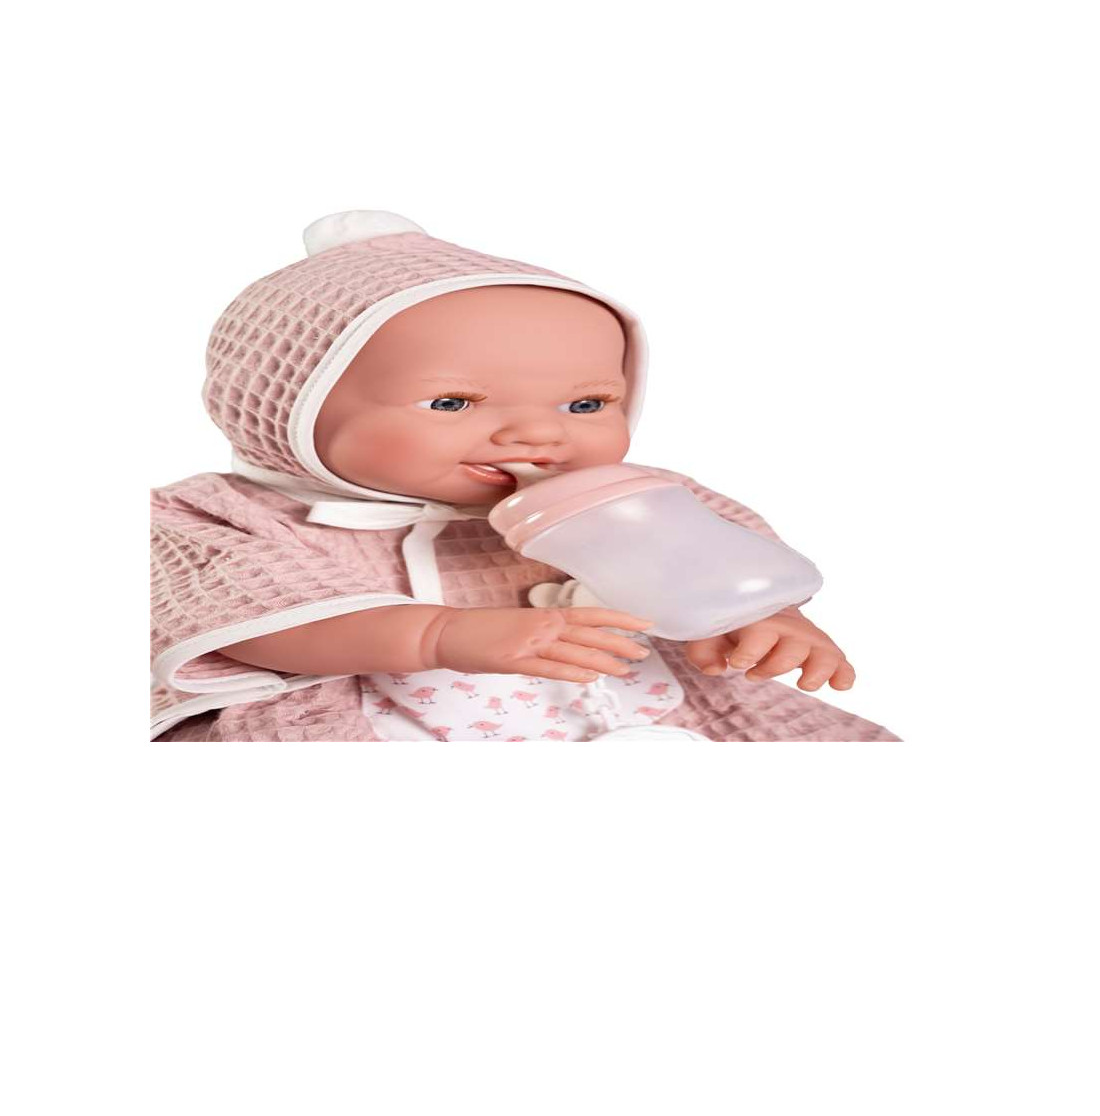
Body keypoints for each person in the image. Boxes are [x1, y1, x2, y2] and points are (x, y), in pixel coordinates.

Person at [151, 211, 898, 742]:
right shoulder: (222, 517)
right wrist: (439, 635)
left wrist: (761, 622)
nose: (539, 434)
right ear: (284, 405)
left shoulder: (635, 492)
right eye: (452, 402)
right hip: (383, 723)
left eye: (585, 404)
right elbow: (257, 619)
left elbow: (716, 564)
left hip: (650, 712)